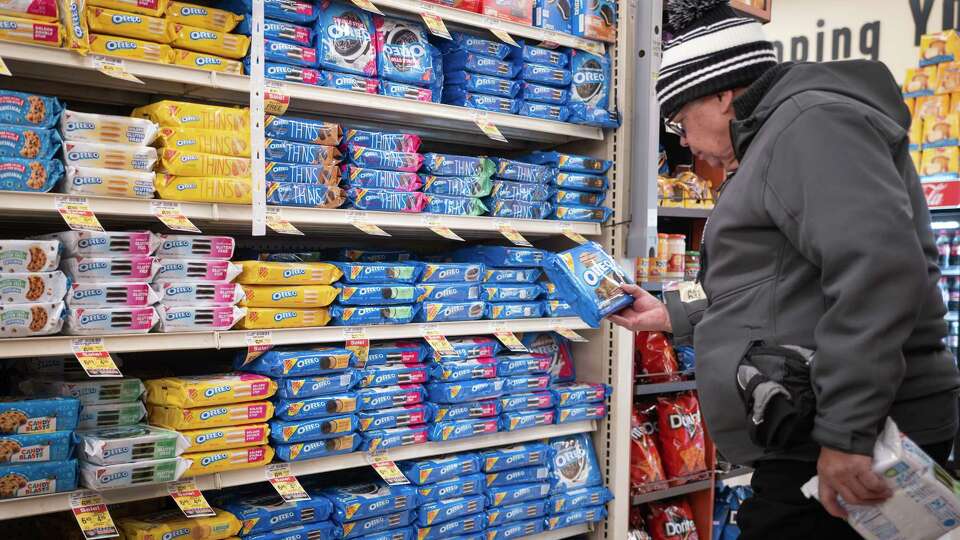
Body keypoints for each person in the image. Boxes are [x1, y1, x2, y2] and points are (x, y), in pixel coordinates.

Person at [609, 0, 960, 538]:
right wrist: (672, 312)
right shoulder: (781, 135)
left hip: (852, 430)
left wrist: (847, 435)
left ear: (722, 92)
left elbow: (880, 275)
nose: (684, 141)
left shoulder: (810, 127)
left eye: (679, 121)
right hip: (815, 422)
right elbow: (781, 281)